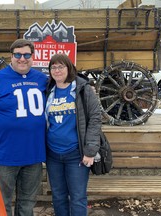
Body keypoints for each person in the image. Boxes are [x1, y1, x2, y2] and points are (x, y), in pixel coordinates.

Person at [0, 39, 48, 216]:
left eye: (27, 55)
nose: (22, 59)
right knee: (1, 203)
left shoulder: (42, 80)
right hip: (6, 155)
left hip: (34, 154)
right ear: (11, 56)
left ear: (33, 56)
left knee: (27, 204)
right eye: (18, 55)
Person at [45, 54, 102, 216]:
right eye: (53, 67)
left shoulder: (82, 89)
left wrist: (90, 150)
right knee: (58, 196)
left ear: (69, 68)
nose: (57, 70)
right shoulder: (48, 91)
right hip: (53, 154)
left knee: (77, 197)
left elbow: (95, 119)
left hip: (76, 154)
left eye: (61, 66)